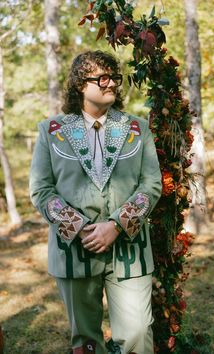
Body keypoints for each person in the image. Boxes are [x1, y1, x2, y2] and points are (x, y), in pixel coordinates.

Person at [30, 50, 162, 354]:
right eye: (102, 78)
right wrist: (81, 229)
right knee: (86, 343)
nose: (111, 83)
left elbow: (151, 184)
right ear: (80, 84)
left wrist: (116, 225)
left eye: (114, 77)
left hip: (129, 251)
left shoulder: (137, 129)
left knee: (138, 334)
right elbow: (41, 189)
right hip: (74, 251)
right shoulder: (51, 132)